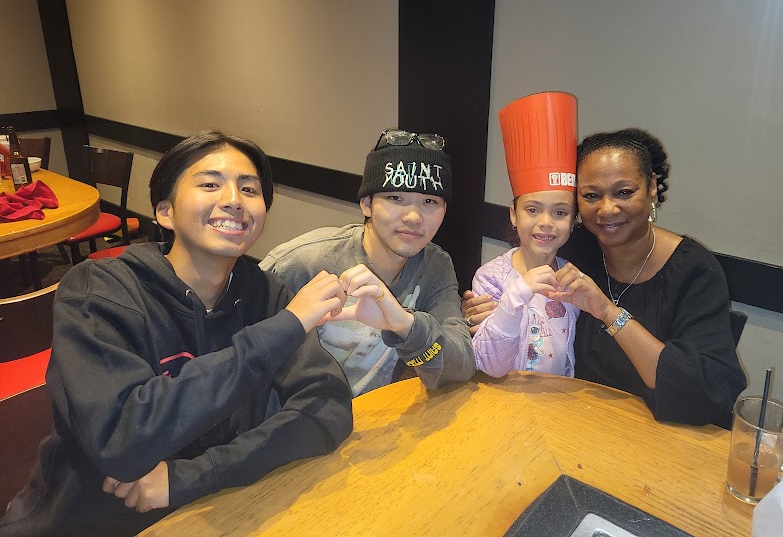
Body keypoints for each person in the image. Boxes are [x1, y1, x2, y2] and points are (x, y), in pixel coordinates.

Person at [0, 131, 353, 537]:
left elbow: (327, 406)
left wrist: (192, 476)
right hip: (85, 523)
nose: (234, 200)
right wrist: (285, 328)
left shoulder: (266, 294)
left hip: (218, 509)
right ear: (165, 212)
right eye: (210, 184)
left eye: (249, 189)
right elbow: (121, 439)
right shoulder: (99, 292)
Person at [464, 128, 746, 428]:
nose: (607, 209)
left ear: (651, 186)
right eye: (591, 196)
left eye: (624, 192)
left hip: (662, 432)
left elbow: (706, 393)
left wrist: (610, 313)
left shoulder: (694, 270)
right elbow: (516, 281)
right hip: (569, 421)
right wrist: (479, 310)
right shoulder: (576, 249)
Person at [261, 129, 475, 396]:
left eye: (429, 201)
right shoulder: (301, 262)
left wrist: (404, 324)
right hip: (297, 414)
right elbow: (242, 356)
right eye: (395, 198)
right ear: (366, 204)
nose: (413, 217)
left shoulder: (434, 265)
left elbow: (461, 366)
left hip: (376, 414)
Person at [471, 92, 580, 378]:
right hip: (505, 397)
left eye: (560, 212)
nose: (546, 223)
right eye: (532, 210)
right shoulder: (491, 278)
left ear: (573, 221)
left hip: (556, 398)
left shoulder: (571, 278)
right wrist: (517, 293)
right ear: (513, 214)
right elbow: (490, 365)